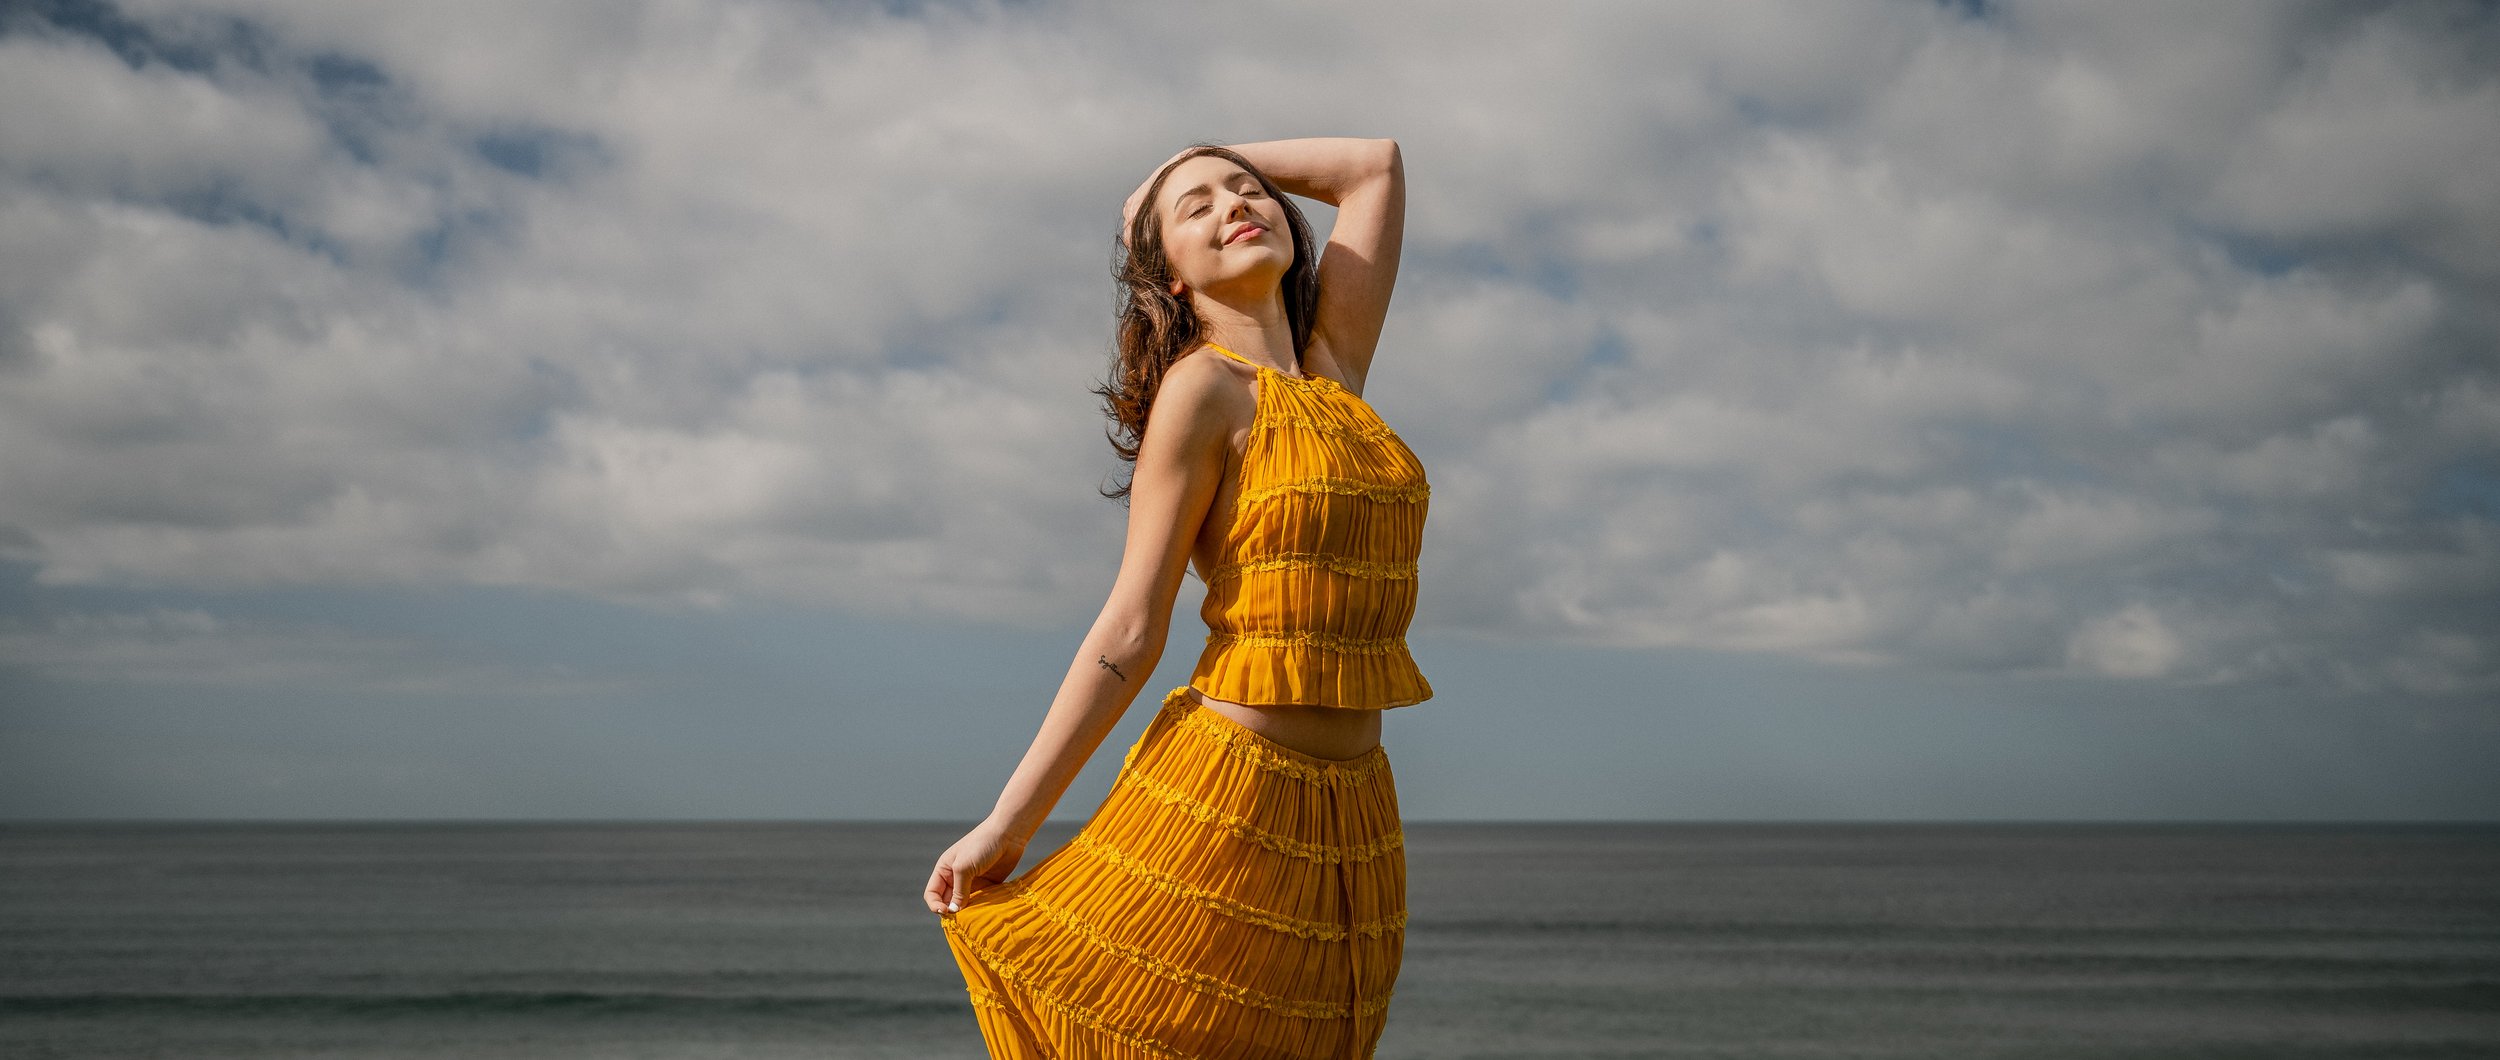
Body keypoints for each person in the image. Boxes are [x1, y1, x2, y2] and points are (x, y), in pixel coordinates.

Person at [925, 136, 1424, 1058]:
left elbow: (1374, 167)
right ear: (1174, 282)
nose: (1236, 204)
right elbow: (1130, 626)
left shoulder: (1334, 370)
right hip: (1226, 800)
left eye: (1249, 192)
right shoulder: (1201, 394)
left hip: (1356, 815)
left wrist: (1182, 163)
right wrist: (1008, 823)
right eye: (1197, 209)